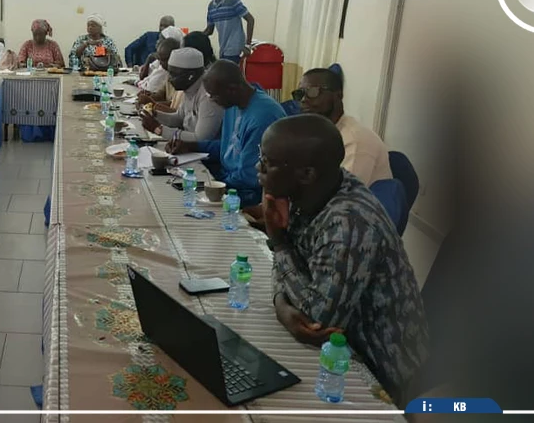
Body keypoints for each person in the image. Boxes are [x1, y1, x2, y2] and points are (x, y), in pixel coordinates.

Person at [258, 113, 429, 405]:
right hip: (339, 348)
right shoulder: (314, 190)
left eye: (268, 163)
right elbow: (295, 275)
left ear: (307, 174)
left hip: (377, 369)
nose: (258, 168)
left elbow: (315, 320)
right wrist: (281, 304)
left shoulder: (349, 222)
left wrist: (278, 241)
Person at [168, 60, 286, 216]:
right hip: (227, 180)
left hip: (247, 194)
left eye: (213, 95)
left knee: (181, 206)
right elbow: (229, 149)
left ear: (232, 89)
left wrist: (209, 184)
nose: (211, 100)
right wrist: (192, 146)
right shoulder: (234, 104)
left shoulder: (262, 117)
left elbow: (250, 176)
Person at [295, 68, 393, 186]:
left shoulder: (355, 141)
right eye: (300, 94)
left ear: (338, 95)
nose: (304, 100)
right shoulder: (318, 132)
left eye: (312, 92)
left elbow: (345, 195)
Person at [139, 47, 223, 144]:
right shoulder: (190, 87)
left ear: (190, 75)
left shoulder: (208, 94)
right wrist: (155, 115)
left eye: (173, 74)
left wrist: (159, 129)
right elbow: (179, 118)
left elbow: (201, 139)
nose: (169, 79)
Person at [202, 0, 255, 64]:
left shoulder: (233, 1)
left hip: (235, 48)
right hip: (222, 48)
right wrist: (194, 38)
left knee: (229, 75)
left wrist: (247, 45)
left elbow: (250, 19)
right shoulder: (211, 6)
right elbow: (209, 30)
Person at [135, 38, 182, 113]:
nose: (160, 63)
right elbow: (161, 94)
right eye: (159, 59)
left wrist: (152, 104)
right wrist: (148, 97)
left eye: (163, 60)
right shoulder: (169, 73)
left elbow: (174, 107)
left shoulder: (182, 77)